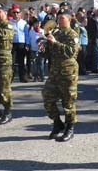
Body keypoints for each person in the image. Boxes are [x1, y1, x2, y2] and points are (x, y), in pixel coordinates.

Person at [44, 8, 80, 142]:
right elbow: (50, 52)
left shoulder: (73, 35)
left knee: (68, 101)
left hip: (68, 72)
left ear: (69, 20)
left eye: (62, 19)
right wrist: (45, 46)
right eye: (58, 18)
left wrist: (55, 43)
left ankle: (70, 127)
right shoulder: (56, 33)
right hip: (54, 71)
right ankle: (57, 123)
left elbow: (71, 52)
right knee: (47, 98)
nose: (59, 21)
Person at [10, 6, 29, 82]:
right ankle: (10, 78)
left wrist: (27, 44)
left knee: (21, 62)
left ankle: (23, 77)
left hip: (21, 43)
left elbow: (26, 34)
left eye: (17, 12)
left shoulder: (24, 23)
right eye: (14, 12)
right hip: (13, 43)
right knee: (12, 62)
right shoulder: (10, 22)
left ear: (20, 14)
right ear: (12, 13)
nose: (16, 14)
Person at [28, 17, 44, 82]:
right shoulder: (31, 32)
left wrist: (42, 44)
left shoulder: (42, 31)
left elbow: (45, 40)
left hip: (41, 50)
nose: (38, 25)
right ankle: (35, 77)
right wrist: (28, 46)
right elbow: (29, 40)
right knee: (34, 64)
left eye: (39, 23)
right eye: (36, 23)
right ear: (34, 24)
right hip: (33, 50)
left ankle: (41, 76)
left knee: (41, 64)